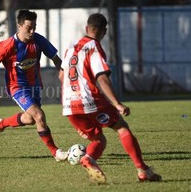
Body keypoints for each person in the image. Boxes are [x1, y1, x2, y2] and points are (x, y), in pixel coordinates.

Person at [59, 13, 162, 183]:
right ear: (104, 31)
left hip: (69, 104)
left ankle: (88, 158)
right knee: (122, 128)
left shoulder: (70, 48)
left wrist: (74, 109)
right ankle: (143, 170)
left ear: (87, 28)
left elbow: (62, 78)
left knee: (99, 139)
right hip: (90, 99)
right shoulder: (93, 46)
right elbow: (102, 78)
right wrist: (117, 104)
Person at [0, 9, 68, 162]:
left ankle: (0, 123)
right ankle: (56, 152)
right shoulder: (8, 45)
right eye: (28, 27)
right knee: (39, 115)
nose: (32, 30)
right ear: (20, 26)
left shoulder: (38, 40)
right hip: (17, 87)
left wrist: (63, 74)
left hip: (35, 85)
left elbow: (56, 58)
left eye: (34, 27)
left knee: (30, 119)